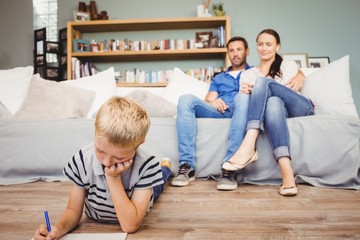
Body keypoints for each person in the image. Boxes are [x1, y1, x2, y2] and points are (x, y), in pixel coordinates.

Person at [34, 97, 172, 239]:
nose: (107, 162)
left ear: (139, 144)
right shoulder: (83, 159)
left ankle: (165, 167)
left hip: (141, 198)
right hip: (97, 214)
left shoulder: (147, 166)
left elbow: (130, 226)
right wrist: (58, 229)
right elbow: (73, 211)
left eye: (119, 158)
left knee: (158, 185)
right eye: (100, 151)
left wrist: (113, 178)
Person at [222, 29, 314, 196]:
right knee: (272, 103)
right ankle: (287, 175)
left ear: (277, 47)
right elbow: (248, 105)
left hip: (298, 107)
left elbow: (287, 92)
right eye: (260, 44)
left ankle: (249, 143)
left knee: (263, 84)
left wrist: (260, 87)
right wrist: (246, 93)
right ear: (256, 47)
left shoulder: (288, 65)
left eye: (269, 44)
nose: (264, 48)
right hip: (276, 111)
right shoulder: (248, 74)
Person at [170, 36, 252, 191]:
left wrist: (300, 76)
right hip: (219, 111)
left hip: (242, 108)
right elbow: (209, 99)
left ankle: (230, 168)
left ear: (247, 51)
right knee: (186, 99)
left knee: (242, 97)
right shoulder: (219, 78)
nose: (235, 54)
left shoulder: (255, 72)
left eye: (239, 49)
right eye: (231, 50)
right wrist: (212, 103)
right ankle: (187, 166)